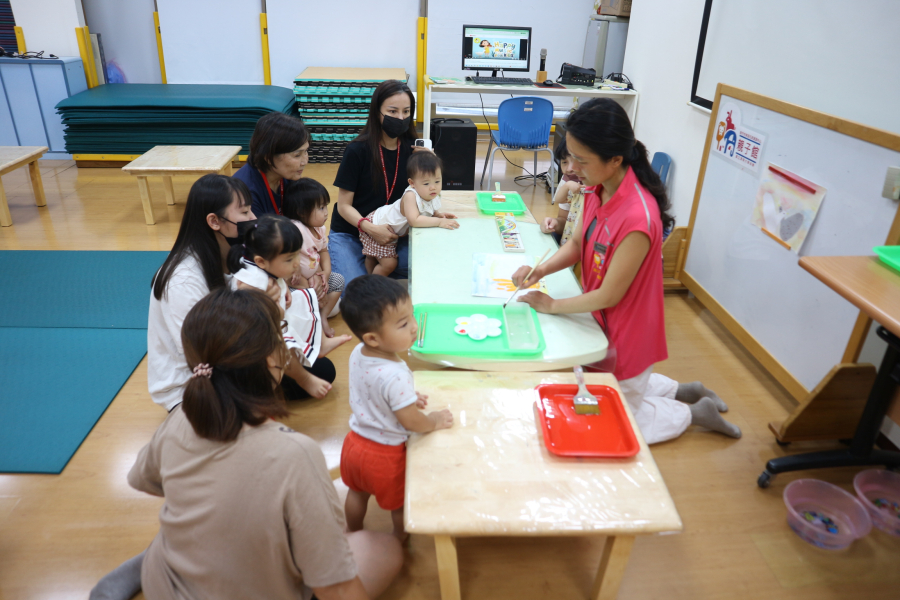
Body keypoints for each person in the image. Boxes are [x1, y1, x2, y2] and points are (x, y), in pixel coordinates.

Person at [90, 288, 403, 600]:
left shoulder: (181, 418)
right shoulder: (295, 454)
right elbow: (336, 587)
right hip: (259, 585)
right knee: (383, 549)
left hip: (168, 584)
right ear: (272, 359)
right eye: (281, 334)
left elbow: (144, 479)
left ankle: (162, 559)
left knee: (204, 524)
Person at [512, 98, 740, 445]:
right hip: (599, 318)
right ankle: (685, 390)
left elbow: (610, 295)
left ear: (615, 159)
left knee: (616, 421)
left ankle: (694, 413)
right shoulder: (594, 186)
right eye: (570, 156)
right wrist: (539, 271)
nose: (571, 167)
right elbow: (575, 244)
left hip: (628, 328)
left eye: (581, 160)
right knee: (600, 382)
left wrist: (552, 305)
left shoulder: (638, 217)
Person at [147, 173, 281, 411]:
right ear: (214, 221)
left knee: (310, 366)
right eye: (244, 212)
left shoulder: (227, 251)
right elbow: (201, 350)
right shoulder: (182, 280)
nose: (253, 218)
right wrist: (257, 306)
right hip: (193, 382)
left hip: (228, 356)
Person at [339, 275, 453, 542]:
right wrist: (433, 420)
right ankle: (399, 541)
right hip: (385, 456)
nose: (414, 327)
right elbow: (412, 422)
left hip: (354, 445)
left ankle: (352, 531)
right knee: (399, 505)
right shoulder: (396, 375)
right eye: (403, 324)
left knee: (356, 493)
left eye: (412, 317)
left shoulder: (359, 352)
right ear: (373, 338)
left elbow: (371, 388)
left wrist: (407, 396)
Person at [227, 214, 351, 399]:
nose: (296, 264)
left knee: (302, 297)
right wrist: (279, 308)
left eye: (297, 255)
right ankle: (304, 380)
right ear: (261, 261)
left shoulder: (258, 262)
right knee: (284, 340)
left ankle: (320, 343)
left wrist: (284, 286)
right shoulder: (251, 285)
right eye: (288, 259)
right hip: (260, 342)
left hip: (273, 320)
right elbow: (266, 325)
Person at [330, 80, 424, 291]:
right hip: (352, 231)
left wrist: (429, 168)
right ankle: (356, 264)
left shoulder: (413, 151)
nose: (401, 118)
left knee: (425, 265)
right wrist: (370, 228)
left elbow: (426, 196)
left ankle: (377, 267)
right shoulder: (357, 150)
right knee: (352, 289)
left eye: (406, 111)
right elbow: (344, 206)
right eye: (393, 111)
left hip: (391, 235)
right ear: (377, 112)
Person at [359, 152, 459, 277]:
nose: (433, 187)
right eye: (426, 183)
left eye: (437, 181)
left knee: (373, 257)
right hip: (378, 225)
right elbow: (414, 220)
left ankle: (370, 271)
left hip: (389, 227)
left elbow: (428, 208)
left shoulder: (431, 193)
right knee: (388, 264)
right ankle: (372, 286)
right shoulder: (410, 196)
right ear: (412, 183)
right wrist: (439, 222)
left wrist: (438, 215)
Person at [282, 178, 344, 337]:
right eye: (321, 208)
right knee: (296, 299)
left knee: (339, 280)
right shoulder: (295, 228)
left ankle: (322, 317)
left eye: (326, 207)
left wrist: (326, 272)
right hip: (298, 284)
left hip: (314, 279)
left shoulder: (320, 229)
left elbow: (323, 251)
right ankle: (313, 320)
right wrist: (300, 275)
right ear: (302, 212)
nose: (326, 212)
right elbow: (287, 255)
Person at [233, 112, 310, 217]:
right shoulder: (245, 194)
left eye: (306, 151)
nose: (305, 161)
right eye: (297, 155)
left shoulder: (286, 175)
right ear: (268, 157)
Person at [540, 138, 586, 247]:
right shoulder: (569, 180)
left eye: (577, 160)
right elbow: (564, 218)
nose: (570, 168)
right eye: (564, 162)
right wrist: (555, 223)